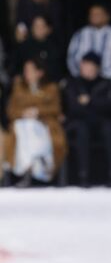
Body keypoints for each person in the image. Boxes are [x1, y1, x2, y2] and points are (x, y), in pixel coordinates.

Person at [4, 55, 66, 186]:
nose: (27, 73)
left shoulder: (51, 88)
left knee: (33, 129)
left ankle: (38, 170)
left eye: (30, 70)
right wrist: (24, 113)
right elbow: (11, 111)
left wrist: (37, 112)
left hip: (46, 125)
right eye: (25, 70)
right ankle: (29, 169)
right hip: (21, 125)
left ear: (40, 72)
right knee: (25, 127)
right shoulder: (18, 87)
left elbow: (56, 109)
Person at [64, 50, 111, 187]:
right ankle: (83, 175)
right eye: (84, 65)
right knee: (82, 129)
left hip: (101, 122)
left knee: (109, 128)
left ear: (97, 67)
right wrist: (96, 105)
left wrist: (90, 101)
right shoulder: (73, 83)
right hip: (80, 123)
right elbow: (73, 108)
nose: (86, 68)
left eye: (89, 65)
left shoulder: (106, 83)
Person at [67, 2, 111, 81]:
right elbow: (71, 57)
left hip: (110, 80)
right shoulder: (80, 34)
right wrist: (78, 75)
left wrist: (107, 76)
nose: (94, 16)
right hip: (82, 80)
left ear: (107, 16)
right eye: (92, 14)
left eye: (98, 14)